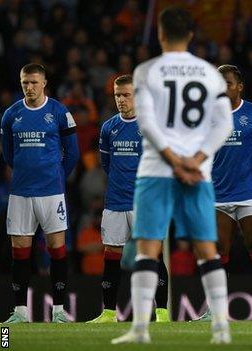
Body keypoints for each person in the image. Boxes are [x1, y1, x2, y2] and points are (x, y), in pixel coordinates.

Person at [111, 6, 233, 344]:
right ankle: (221, 329)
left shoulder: (146, 71)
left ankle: (139, 330)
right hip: (198, 173)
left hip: (155, 170)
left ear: (161, 35)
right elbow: (224, 123)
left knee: (147, 248)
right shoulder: (209, 73)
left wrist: (172, 160)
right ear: (191, 35)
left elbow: (146, 123)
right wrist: (195, 159)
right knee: (206, 249)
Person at [196, 64, 252, 322]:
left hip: (249, 194)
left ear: (239, 86)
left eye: (228, 83)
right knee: (219, 249)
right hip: (219, 195)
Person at [1, 63, 79, 323]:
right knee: (20, 251)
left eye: (34, 82)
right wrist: (26, 172)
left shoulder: (58, 111)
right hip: (20, 193)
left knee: (57, 249)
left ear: (44, 83)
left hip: (51, 193)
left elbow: (73, 153)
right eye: (25, 82)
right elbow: (9, 154)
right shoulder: (11, 115)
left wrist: (55, 178)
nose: (29, 87)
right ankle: (20, 311)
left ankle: (58, 310)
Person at [88, 75, 170, 323]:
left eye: (126, 95)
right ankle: (109, 312)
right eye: (117, 95)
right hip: (115, 201)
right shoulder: (108, 127)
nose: (121, 100)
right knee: (112, 254)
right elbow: (106, 163)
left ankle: (162, 312)